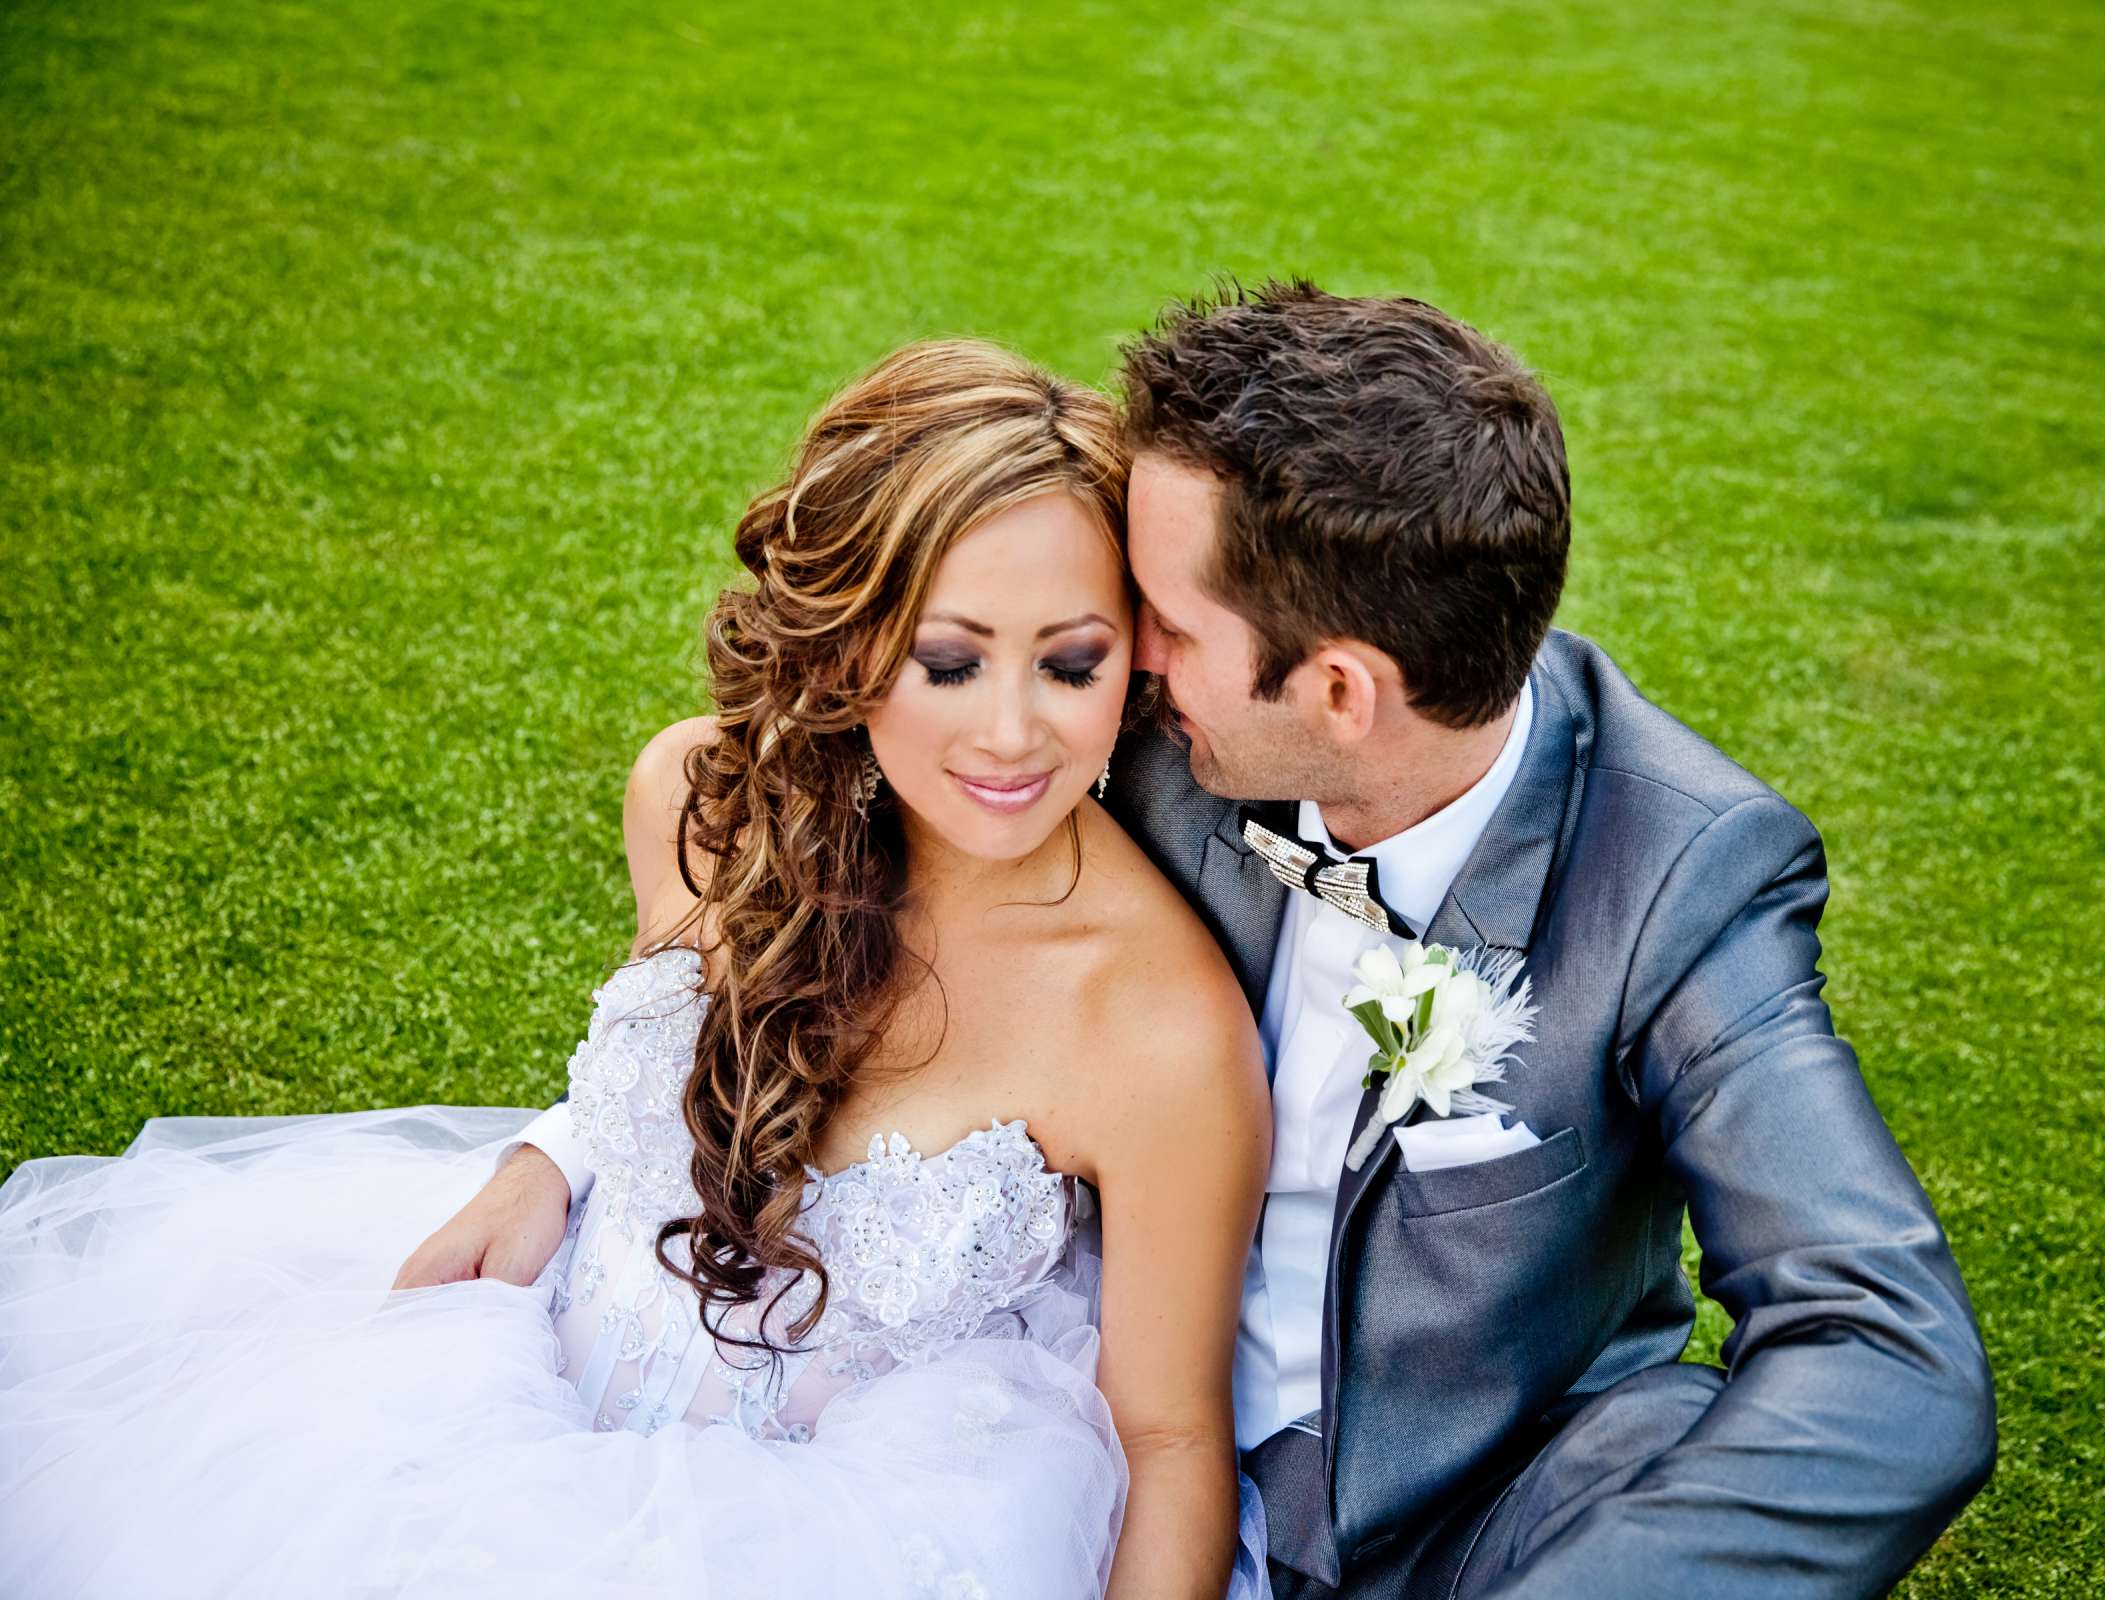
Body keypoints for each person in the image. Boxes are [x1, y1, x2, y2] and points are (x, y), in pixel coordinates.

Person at [0, 339, 1274, 1599]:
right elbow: (682, 1049)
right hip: (499, 1408)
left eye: (1071, 663)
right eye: (948, 661)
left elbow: (1167, 1443)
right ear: (844, 638)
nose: (1010, 732)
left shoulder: (1155, 1027)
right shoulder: (705, 795)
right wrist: (547, 1157)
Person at [1095, 280, 2000, 1598]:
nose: (1129, 648)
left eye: (1172, 627)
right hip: (1103, 1443)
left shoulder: (1682, 870)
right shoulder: (1133, 731)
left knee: (1670, 1439)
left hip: (1463, 1535)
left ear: (1341, 692)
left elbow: (1892, 1354)